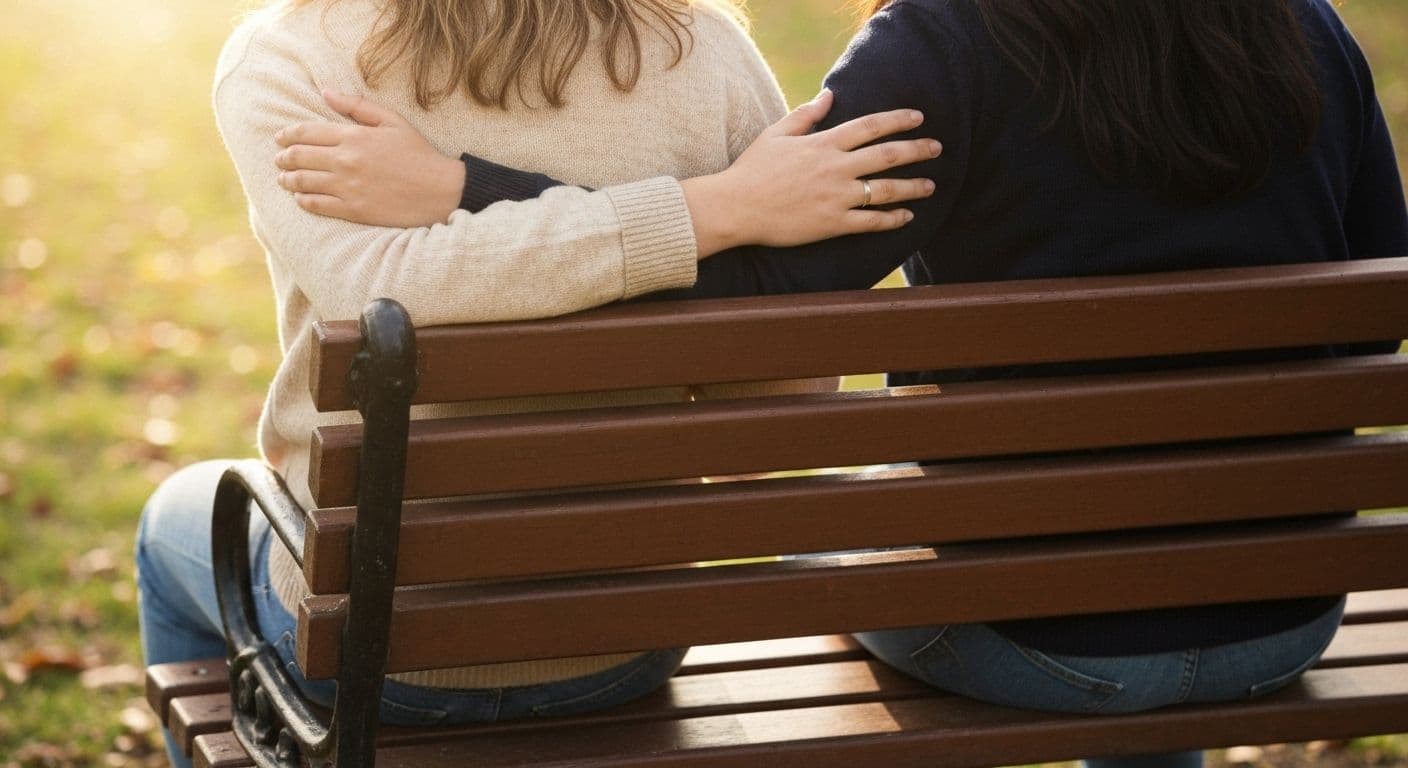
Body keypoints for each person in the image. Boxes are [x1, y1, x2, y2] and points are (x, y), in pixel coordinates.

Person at [271, 1, 1408, 766]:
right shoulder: (1297, 25)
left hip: (1041, 642)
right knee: (1092, 550)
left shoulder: (942, 46)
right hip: (1288, 616)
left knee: (850, 539)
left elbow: (753, 315)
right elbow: (1371, 284)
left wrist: (463, 189)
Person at [134, 0, 941, 765]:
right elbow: (785, 402)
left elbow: (374, 295)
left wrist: (465, 198)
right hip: (626, 644)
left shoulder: (288, 57)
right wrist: (714, 211)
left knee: (172, 524)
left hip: (371, 657)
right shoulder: (704, 50)